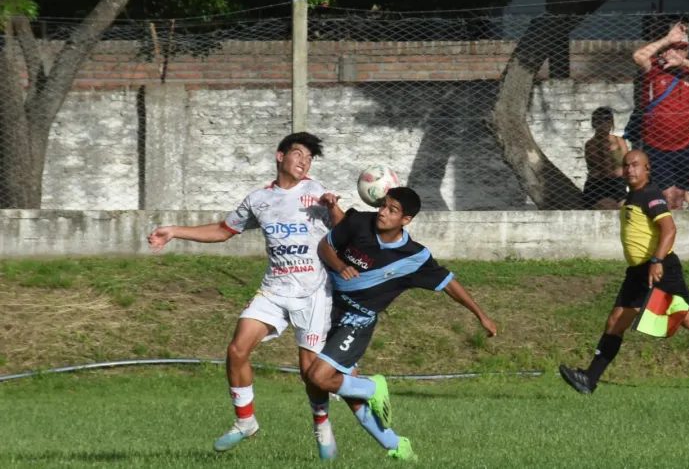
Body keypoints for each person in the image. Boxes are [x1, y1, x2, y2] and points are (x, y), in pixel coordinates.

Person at [147, 132, 344, 458]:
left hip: (313, 293)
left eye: (309, 158)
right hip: (274, 288)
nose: (303, 162)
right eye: (298, 154)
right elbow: (224, 231)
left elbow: (343, 227)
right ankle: (245, 421)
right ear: (280, 156)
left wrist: (334, 208)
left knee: (311, 374)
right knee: (237, 349)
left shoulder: (317, 192)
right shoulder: (259, 200)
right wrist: (174, 231)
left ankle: (321, 425)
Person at [305, 187, 498, 461]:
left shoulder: (414, 257)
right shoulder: (360, 222)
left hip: (356, 321)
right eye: (383, 205)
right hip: (325, 310)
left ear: (405, 220)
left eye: (392, 210)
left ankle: (373, 387)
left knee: (318, 377)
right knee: (344, 391)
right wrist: (339, 265)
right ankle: (397, 444)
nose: (383, 212)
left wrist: (481, 315)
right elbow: (326, 246)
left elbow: (450, 285)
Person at [558, 150, 689, 395]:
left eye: (635, 165)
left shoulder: (650, 195)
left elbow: (669, 230)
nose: (630, 170)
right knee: (616, 322)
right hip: (638, 271)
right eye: (626, 165)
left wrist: (657, 260)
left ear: (647, 169)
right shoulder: (634, 196)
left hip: (659, 269)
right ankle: (588, 379)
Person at [632, 23, 689, 210]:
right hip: (656, 144)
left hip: (685, 144)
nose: (678, 51)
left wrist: (684, 63)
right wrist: (667, 38)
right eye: (674, 47)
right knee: (667, 195)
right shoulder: (654, 67)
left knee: (680, 196)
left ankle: (679, 234)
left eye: (682, 48)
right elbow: (637, 56)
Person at [583, 107, 629, 210]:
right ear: (594, 123)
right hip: (596, 185)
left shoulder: (619, 141)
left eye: (607, 119)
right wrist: (604, 147)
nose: (604, 123)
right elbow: (605, 168)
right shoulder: (590, 144)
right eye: (599, 120)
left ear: (611, 122)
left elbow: (627, 163)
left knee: (625, 210)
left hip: (617, 184)